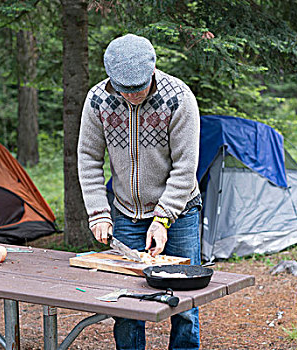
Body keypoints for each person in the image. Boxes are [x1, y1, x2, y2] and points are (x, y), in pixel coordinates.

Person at [77, 34, 202, 350]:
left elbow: (186, 166)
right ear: (111, 79)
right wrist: (98, 213)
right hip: (126, 214)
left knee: (185, 302)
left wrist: (163, 219)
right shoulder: (98, 101)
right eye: (125, 89)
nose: (132, 96)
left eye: (139, 88)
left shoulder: (179, 98)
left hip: (180, 211)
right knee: (127, 302)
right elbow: (89, 159)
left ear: (153, 70)